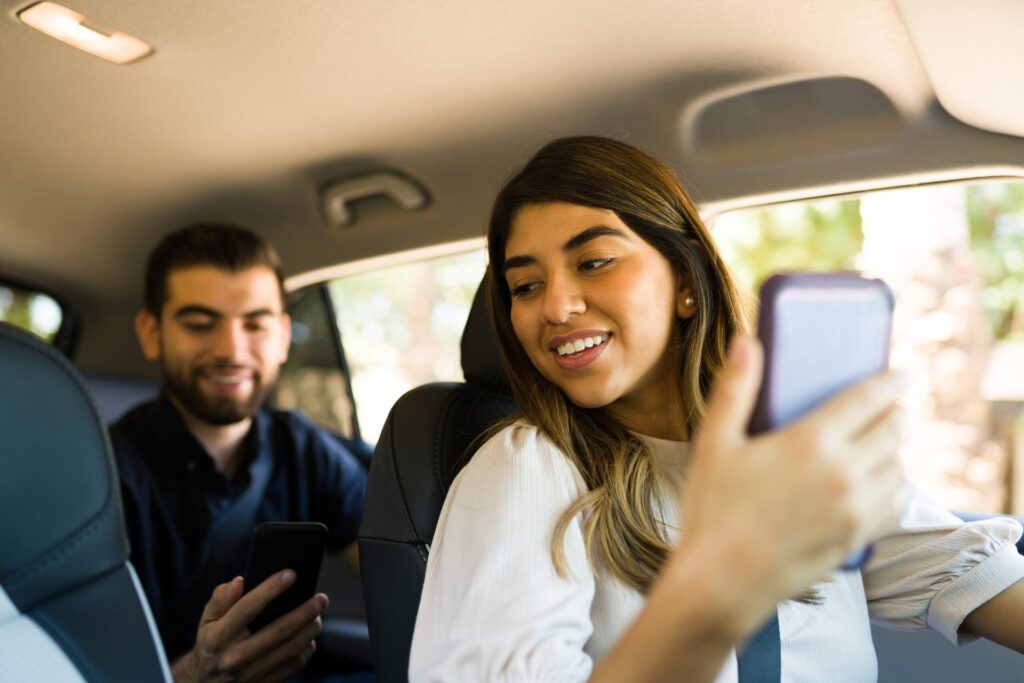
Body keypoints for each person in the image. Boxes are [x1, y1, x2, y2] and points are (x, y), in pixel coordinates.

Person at [408, 136, 1024, 682]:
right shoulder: (528, 469)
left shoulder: (789, 453)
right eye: (525, 286)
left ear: (683, 280)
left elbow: (968, 574)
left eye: (593, 262)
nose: (556, 306)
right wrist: (716, 591)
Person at [109, 223, 368, 683]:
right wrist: (195, 674)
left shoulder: (303, 446)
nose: (232, 349)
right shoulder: (103, 476)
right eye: (199, 323)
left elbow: (393, 566)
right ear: (152, 334)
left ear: (283, 336)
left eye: (255, 323)